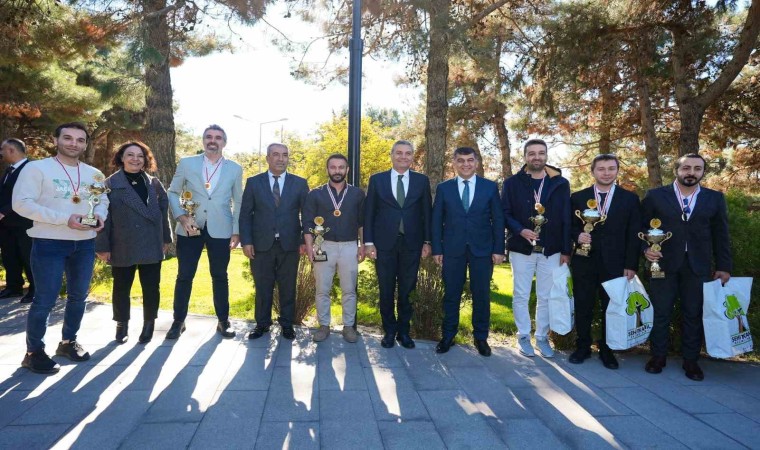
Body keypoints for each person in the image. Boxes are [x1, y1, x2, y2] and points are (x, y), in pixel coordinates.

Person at [13, 122, 109, 374]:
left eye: (80, 140)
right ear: (55, 140)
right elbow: (21, 203)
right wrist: (64, 219)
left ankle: (68, 342)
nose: (73, 143)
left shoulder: (94, 174)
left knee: (78, 296)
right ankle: (33, 352)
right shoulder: (36, 169)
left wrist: (100, 216)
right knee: (45, 299)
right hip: (49, 242)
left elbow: (102, 200)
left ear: (85, 144)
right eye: (68, 138)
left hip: (84, 243)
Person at [642, 153, 731, 381]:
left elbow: (721, 235)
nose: (691, 172)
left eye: (697, 168)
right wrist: (645, 249)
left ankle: (691, 361)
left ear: (703, 172)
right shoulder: (655, 196)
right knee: (661, 312)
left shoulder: (714, 198)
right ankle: (658, 357)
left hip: (698, 266)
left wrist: (723, 266)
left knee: (694, 313)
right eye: (686, 168)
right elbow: (639, 228)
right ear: (677, 170)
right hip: (662, 264)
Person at [166, 125, 242, 339]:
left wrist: (236, 231)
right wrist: (182, 216)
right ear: (203, 140)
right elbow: (172, 192)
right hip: (189, 227)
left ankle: (223, 321)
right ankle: (178, 321)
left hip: (221, 228)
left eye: (217, 138)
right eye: (208, 137)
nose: (212, 141)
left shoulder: (235, 168)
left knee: (220, 276)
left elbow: (238, 200)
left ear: (224, 143)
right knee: (184, 276)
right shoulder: (187, 163)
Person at [95, 142, 172, 344]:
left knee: (151, 287)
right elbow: (102, 218)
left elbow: (163, 212)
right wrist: (102, 246)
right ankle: (122, 325)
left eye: (140, 155)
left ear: (146, 160)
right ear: (121, 158)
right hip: (122, 243)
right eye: (130, 155)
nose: (135, 159)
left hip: (151, 242)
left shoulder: (154, 183)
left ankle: (149, 324)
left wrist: (166, 238)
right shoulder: (109, 184)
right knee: (121, 287)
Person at [568, 154, 640, 369]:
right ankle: (583, 346)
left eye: (611, 168)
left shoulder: (629, 199)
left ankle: (607, 349)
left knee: (611, 307)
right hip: (584, 260)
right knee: (583, 304)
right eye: (601, 169)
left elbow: (634, 234)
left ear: (617, 171)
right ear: (592, 172)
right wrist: (577, 235)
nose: (606, 173)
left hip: (615, 263)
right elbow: (568, 226)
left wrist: (631, 265)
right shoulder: (578, 197)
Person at [432, 147, 505, 357]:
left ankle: (480, 338)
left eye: (470, 160)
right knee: (451, 294)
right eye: (461, 160)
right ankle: (448, 335)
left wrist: (499, 249)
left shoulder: (489, 187)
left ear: (476, 162)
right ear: (454, 163)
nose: (466, 164)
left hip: (482, 250)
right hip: (452, 250)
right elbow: (436, 220)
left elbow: (498, 219)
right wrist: (437, 248)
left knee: (481, 295)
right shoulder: (444, 188)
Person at [501, 138, 571, 358]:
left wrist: (566, 250)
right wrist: (520, 230)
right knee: (521, 294)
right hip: (521, 247)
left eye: (541, 153)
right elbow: (505, 213)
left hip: (552, 248)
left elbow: (566, 217)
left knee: (546, 295)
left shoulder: (560, 183)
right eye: (531, 153)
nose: (536, 157)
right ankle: (523, 335)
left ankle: (541, 337)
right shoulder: (512, 183)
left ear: (546, 156)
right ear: (525, 157)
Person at [364, 140, 432, 349]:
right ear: (392, 155)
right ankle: (389, 331)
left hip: (412, 244)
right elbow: (369, 212)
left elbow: (426, 213)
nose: (403, 157)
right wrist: (368, 242)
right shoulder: (377, 180)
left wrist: (427, 241)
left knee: (407, 290)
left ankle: (404, 331)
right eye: (399, 153)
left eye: (408, 153)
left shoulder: (421, 181)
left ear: (412, 156)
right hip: (384, 244)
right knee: (386, 289)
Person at [240, 143, 308, 340]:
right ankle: (262, 324)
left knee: (288, 286)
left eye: (285, 155)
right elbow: (245, 215)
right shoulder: (254, 182)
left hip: (290, 245)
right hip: (261, 245)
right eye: (276, 155)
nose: (281, 159)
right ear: (268, 158)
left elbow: (307, 215)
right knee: (263, 287)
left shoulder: (300, 183)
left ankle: (287, 324)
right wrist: (246, 241)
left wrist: (304, 241)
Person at [303, 154, 365, 343]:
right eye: (333, 167)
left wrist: (362, 245)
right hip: (323, 246)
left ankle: (348, 327)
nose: (337, 171)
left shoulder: (357, 194)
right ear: (327, 169)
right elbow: (307, 223)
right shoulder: (315, 194)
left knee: (349, 290)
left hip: (349, 246)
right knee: (322, 289)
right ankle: (323, 326)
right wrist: (309, 247)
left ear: (347, 170)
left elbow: (362, 222)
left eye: (341, 167)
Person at [0, 138, 34, 303]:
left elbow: (27, 195)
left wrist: (3, 212)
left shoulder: (31, 169)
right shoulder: (9, 170)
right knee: (9, 255)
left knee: (28, 256)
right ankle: (13, 287)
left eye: (2, 149)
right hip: (6, 224)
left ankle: (35, 289)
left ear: (12, 150)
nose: (1, 153)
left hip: (24, 222)